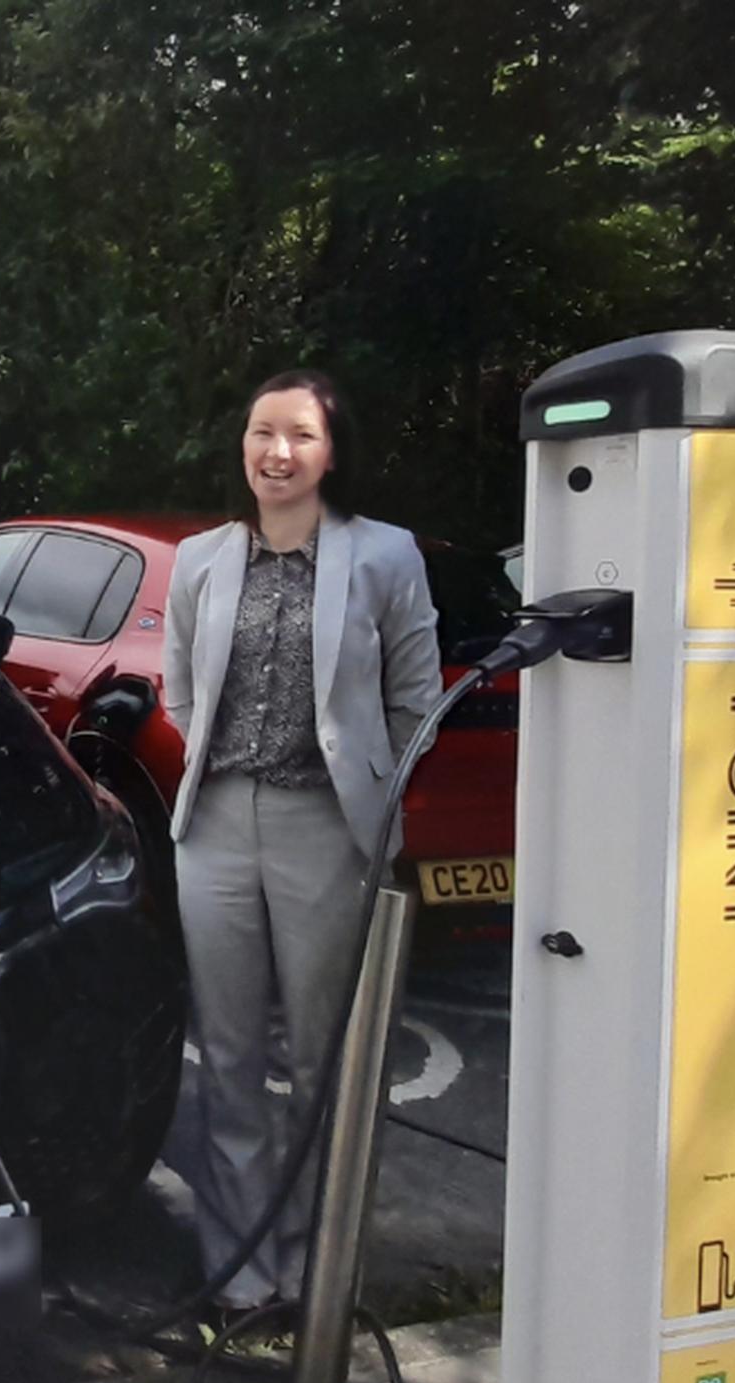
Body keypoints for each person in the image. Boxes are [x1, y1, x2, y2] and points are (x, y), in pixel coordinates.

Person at [160, 369, 441, 1316]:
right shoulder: (202, 557)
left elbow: (417, 698)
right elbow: (178, 691)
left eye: (299, 436)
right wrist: (218, 759)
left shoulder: (382, 556)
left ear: (331, 451)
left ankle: (321, 1268)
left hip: (324, 826)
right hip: (215, 826)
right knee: (229, 1052)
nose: (275, 453)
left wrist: (369, 790)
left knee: (326, 1054)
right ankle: (240, 1266)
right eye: (260, 432)